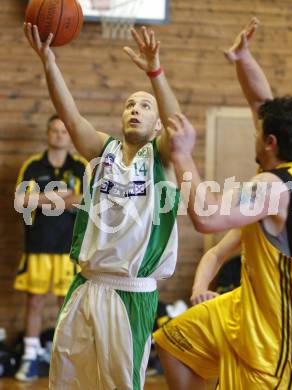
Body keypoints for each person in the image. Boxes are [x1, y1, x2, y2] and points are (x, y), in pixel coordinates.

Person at [154, 18, 292, 389]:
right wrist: (243, 60)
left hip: (287, 343)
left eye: (258, 132)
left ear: (270, 143)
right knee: (174, 342)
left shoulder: (275, 188)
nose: (253, 133)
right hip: (260, 307)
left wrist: (181, 155)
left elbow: (207, 217)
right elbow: (263, 104)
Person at [24, 22, 181, 390]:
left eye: (145, 106)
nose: (135, 109)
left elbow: (178, 125)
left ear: (157, 124)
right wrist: (49, 62)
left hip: (131, 292)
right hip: (85, 285)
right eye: (129, 104)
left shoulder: (164, 159)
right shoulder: (102, 150)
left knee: (120, 384)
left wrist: (155, 72)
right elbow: (70, 116)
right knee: (67, 382)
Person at [13, 114, 87, 381]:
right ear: (48, 134)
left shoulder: (80, 166)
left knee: (66, 307)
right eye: (54, 131)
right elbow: (20, 201)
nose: (58, 135)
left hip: (69, 249)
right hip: (39, 245)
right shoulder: (33, 165)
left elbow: (83, 200)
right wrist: (58, 198)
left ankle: (61, 357)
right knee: (34, 302)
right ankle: (29, 358)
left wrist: (40, 199)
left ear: (70, 136)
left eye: (63, 131)